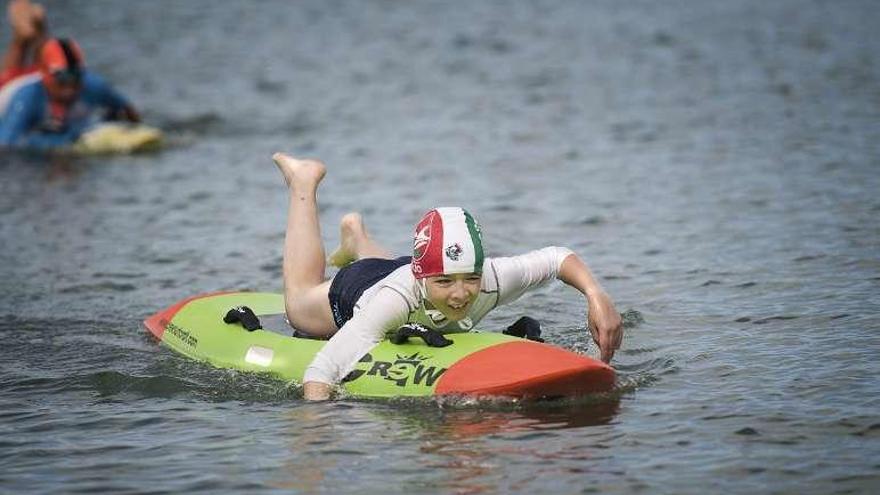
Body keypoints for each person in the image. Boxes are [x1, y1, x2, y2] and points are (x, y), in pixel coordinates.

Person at [271, 152, 624, 401]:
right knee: (298, 304)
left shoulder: (489, 276)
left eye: (469, 279)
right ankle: (303, 181)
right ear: (423, 278)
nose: (460, 295)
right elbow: (321, 370)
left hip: (406, 270)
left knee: (425, 274)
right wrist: (318, 440)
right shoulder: (394, 300)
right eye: (445, 283)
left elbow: (558, 258)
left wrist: (596, 295)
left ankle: (358, 238)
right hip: (361, 287)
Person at [0, 0, 140, 149]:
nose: (70, 89)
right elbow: (6, 145)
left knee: (50, 57)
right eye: (63, 80)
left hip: (46, 73)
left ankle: (38, 28)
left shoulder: (93, 85)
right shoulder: (26, 99)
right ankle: (21, 37)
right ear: (47, 78)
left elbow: (127, 110)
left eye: (76, 78)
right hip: (9, 91)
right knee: (10, 74)